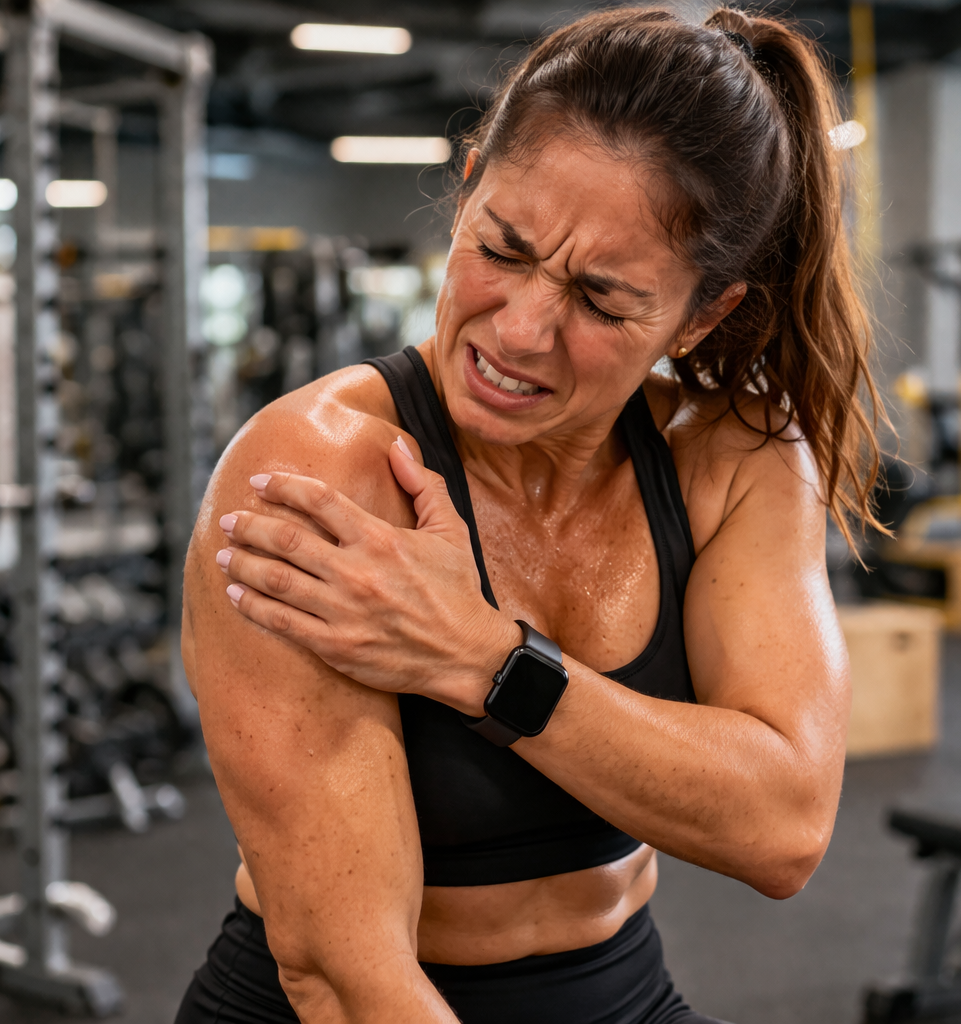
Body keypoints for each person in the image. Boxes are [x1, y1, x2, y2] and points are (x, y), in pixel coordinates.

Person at [178, 7, 880, 1023]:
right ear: (467, 192)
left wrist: (487, 663)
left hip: (617, 991)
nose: (520, 331)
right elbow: (346, 975)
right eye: (502, 249)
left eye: (602, 300)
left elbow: (783, 826)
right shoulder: (321, 466)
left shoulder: (736, 456)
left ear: (702, 314)